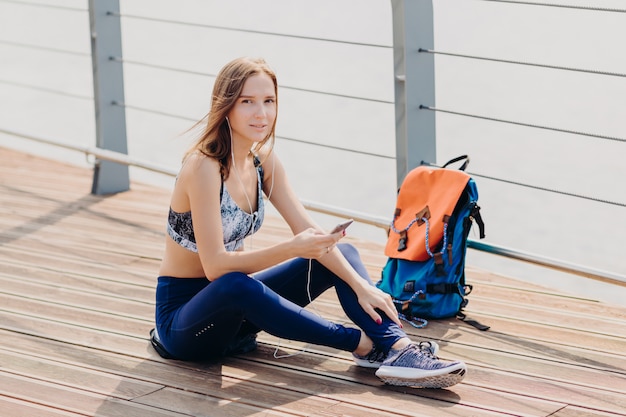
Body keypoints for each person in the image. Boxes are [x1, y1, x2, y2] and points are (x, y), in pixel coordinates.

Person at [150, 57, 467, 389]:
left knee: (339, 251)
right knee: (235, 283)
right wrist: (292, 248)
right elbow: (216, 268)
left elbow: (308, 230)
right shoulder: (203, 167)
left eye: (268, 101)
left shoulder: (263, 162)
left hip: (237, 320)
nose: (261, 113)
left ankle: (399, 349)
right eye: (247, 102)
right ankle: (362, 345)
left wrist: (362, 287)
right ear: (225, 106)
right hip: (186, 325)